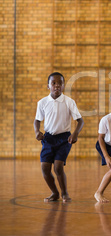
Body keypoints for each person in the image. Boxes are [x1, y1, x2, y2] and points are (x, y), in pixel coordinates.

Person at [34, 72, 84, 202]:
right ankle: (54, 193)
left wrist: (75, 133)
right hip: (48, 139)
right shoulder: (42, 102)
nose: (57, 86)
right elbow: (37, 120)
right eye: (53, 83)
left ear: (63, 86)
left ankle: (65, 193)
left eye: (60, 83)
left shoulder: (69, 102)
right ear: (48, 86)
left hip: (64, 139)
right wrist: (37, 131)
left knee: (58, 167)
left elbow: (80, 121)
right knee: (45, 168)